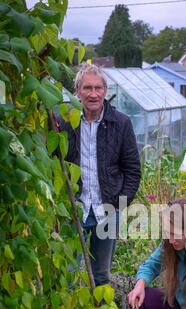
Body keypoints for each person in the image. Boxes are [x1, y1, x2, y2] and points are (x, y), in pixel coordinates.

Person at [58, 63, 141, 286]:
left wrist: (118, 204)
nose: (93, 94)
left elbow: (132, 169)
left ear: (105, 91)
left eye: (97, 88)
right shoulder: (65, 122)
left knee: (101, 275)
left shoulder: (120, 123)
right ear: (77, 92)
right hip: (74, 208)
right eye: (87, 88)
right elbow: (54, 162)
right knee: (69, 274)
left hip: (107, 210)